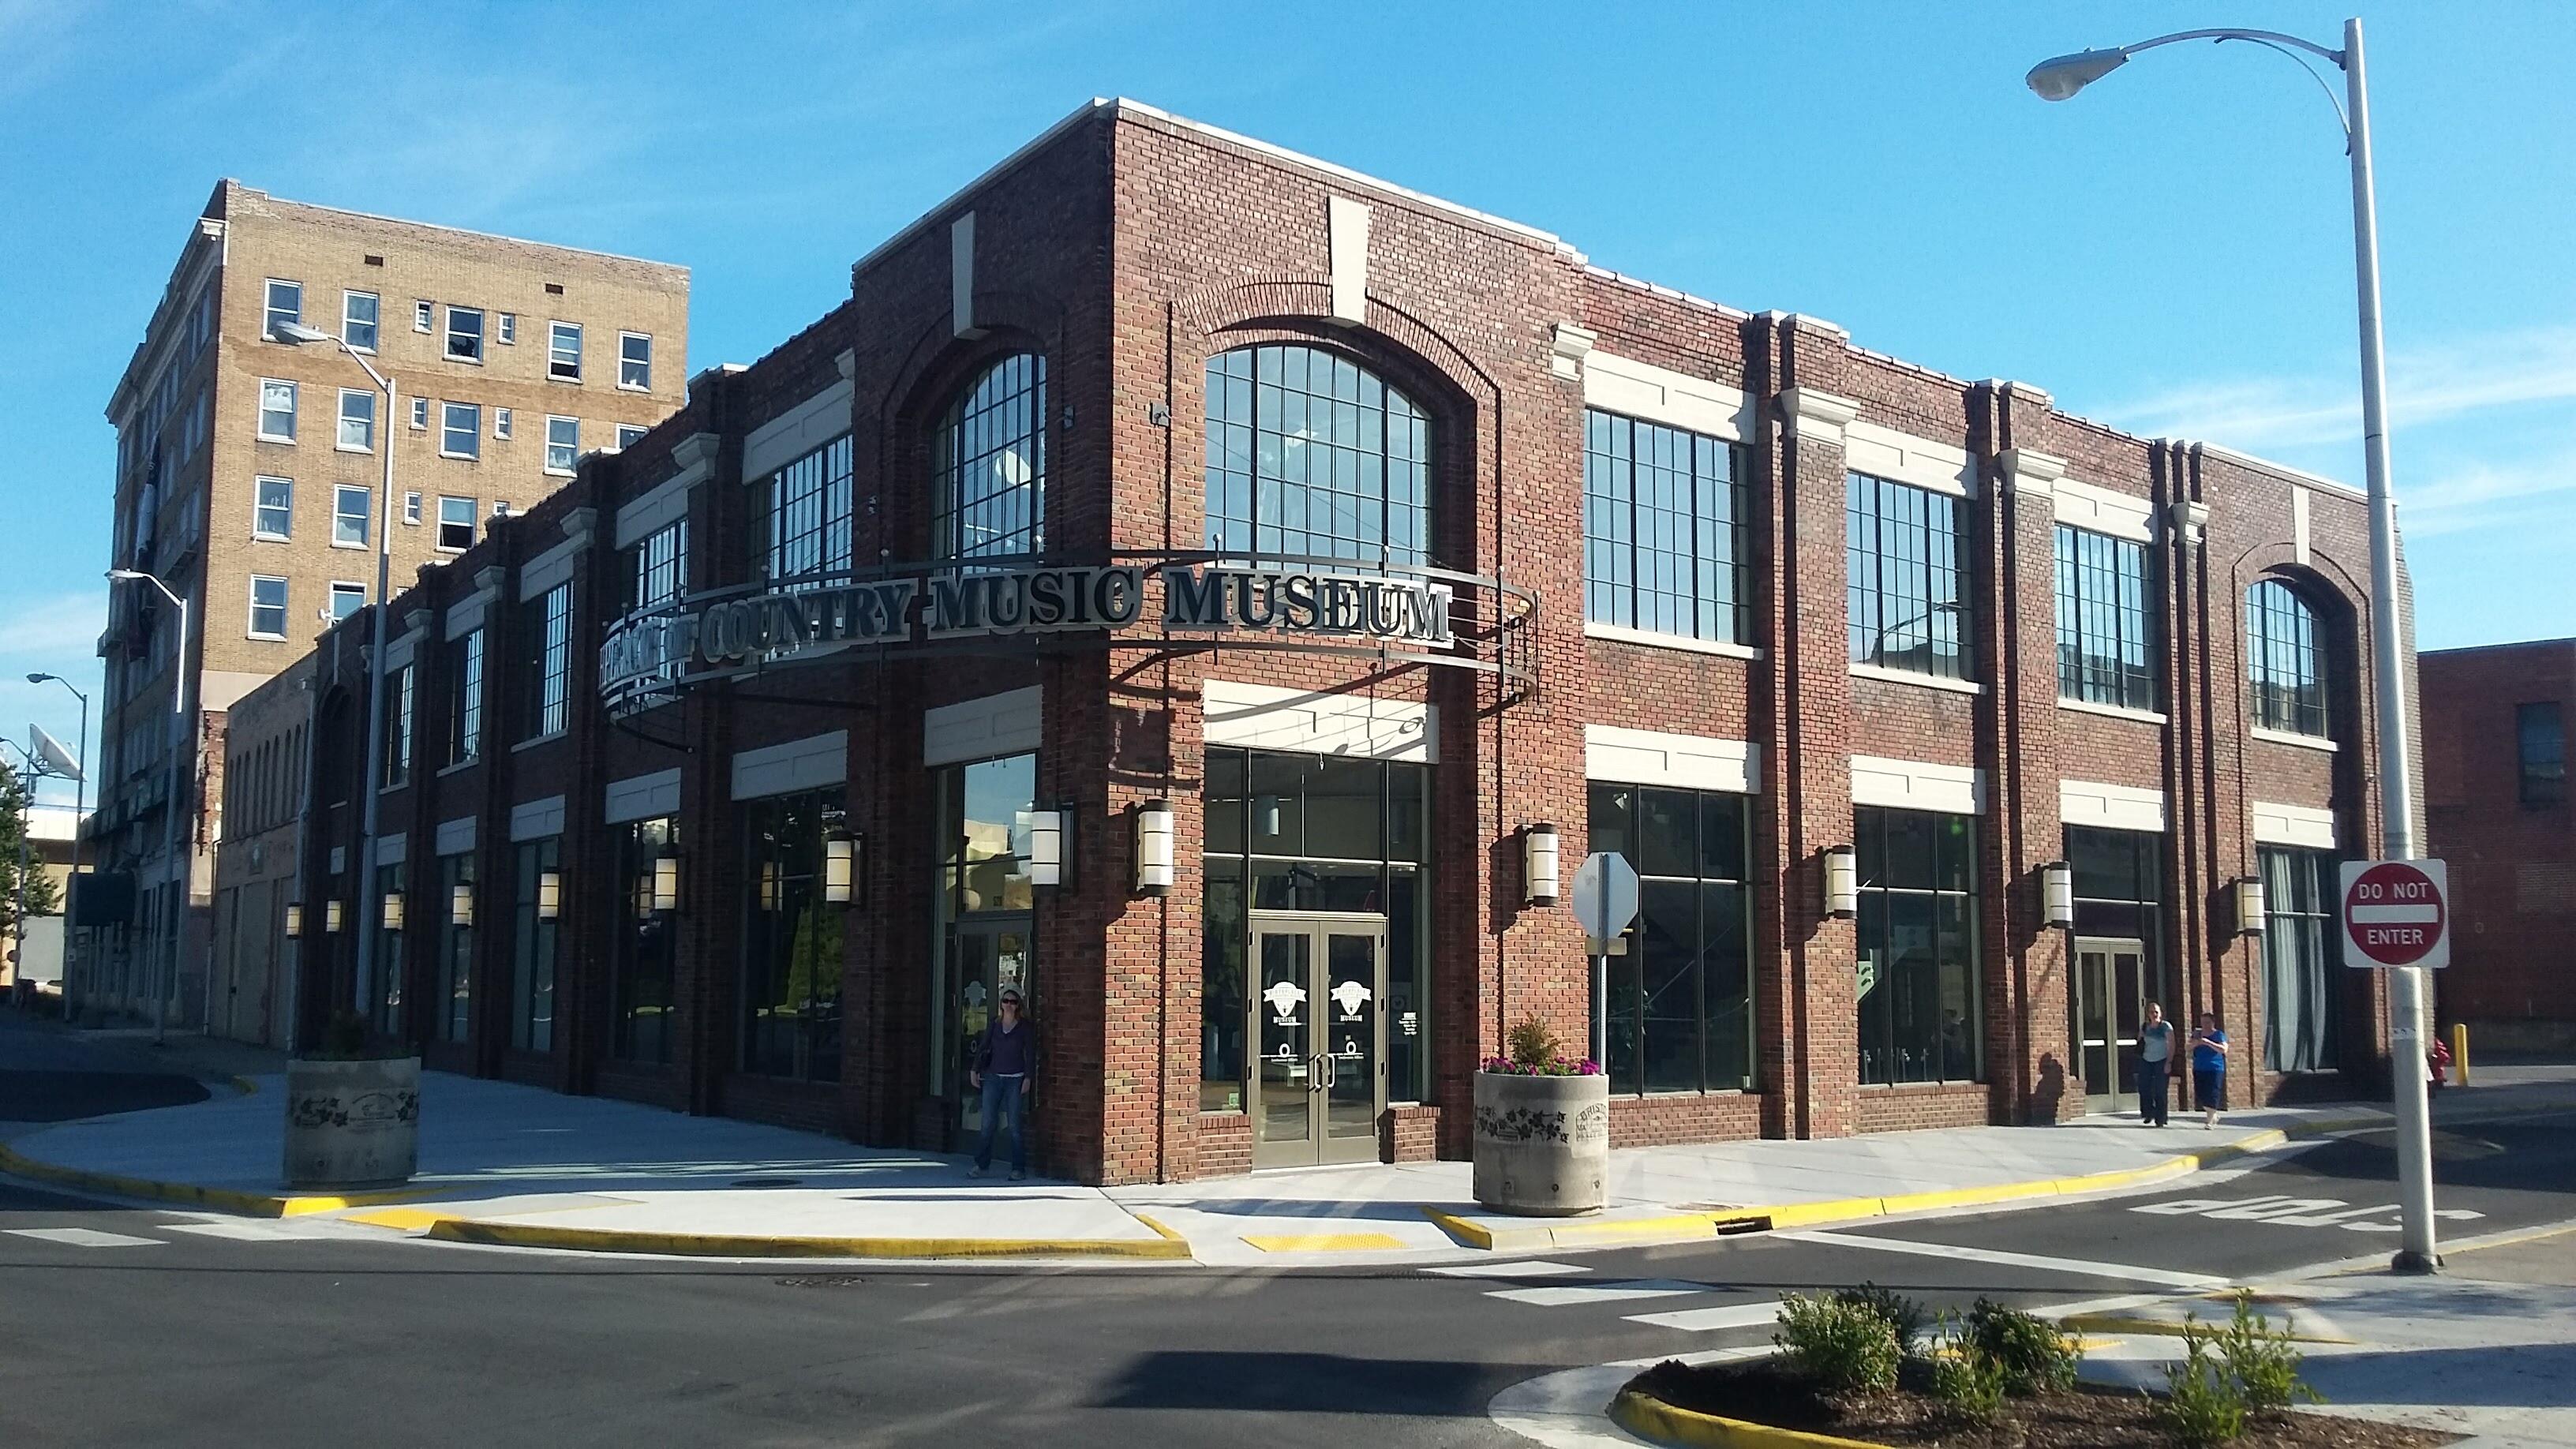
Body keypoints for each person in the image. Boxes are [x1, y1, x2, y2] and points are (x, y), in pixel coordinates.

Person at [968, 987, 1035, 1180]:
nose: (1009, 1005)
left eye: (1013, 1002)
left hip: (1015, 1078)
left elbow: (1029, 1054)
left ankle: (1018, 1168)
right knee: (987, 1122)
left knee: (1014, 1125)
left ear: (1018, 1005)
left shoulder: (1024, 1027)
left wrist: (1028, 1078)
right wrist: (975, 1070)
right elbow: (983, 1047)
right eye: (1006, 1001)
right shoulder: (994, 1024)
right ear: (1001, 1004)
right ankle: (981, 1165)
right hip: (993, 1078)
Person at [2136, 1001, 2174, 1127]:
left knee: (2160, 1090)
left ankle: (2161, 1118)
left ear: (2161, 1013)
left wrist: (2169, 1062)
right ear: (2148, 1014)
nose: (2154, 1015)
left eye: (2156, 1012)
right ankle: (2148, 1113)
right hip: (2146, 1060)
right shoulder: (2145, 1027)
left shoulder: (2165, 1027)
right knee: (2144, 1088)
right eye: (2152, 1012)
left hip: (2161, 1060)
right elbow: (2140, 1041)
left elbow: (2172, 1045)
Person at [2191, 1010, 2230, 1129]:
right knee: (2202, 1094)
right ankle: (2214, 1115)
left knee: (2213, 1093)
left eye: (2207, 1022)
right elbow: (2187, 1047)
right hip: (2199, 1067)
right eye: (2203, 1023)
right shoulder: (2197, 1034)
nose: (2205, 1025)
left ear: (2213, 1023)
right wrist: (2196, 1043)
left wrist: (2208, 1043)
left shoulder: (2218, 1035)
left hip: (2215, 1068)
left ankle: (2210, 1121)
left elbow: (2224, 1049)